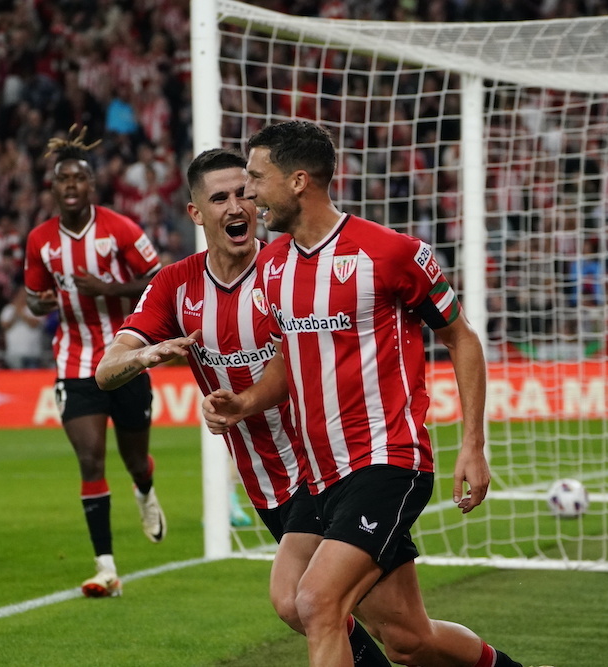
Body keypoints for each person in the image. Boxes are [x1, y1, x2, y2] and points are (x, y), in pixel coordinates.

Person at [203, 121, 523, 667]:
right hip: (320, 474)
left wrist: (473, 444)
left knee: (316, 600)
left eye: (257, 176)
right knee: (404, 638)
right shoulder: (273, 266)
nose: (249, 192)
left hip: (385, 461)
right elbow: (294, 354)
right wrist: (247, 402)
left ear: (299, 181)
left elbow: (461, 338)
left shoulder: (390, 253)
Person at [95, 148, 388, 664]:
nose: (237, 205)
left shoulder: (290, 266)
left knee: (303, 602)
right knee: (398, 630)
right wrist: (145, 354)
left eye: (244, 193)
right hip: (265, 483)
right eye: (220, 197)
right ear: (196, 213)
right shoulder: (174, 285)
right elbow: (105, 370)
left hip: (325, 468)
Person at [24, 127, 165, 599]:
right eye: (62, 178)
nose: (69, 185)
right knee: (90, 458)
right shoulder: (40, 241)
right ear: (53, 187)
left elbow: (157, 281)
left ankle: (145, 488)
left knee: (132, 460)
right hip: (74, 360)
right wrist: (40, 303)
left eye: (78, 178)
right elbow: (34, 296)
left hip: (124, 355)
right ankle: (105, 566)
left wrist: (108, 291)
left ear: (91, 186)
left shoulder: (120, 229)